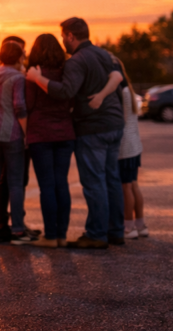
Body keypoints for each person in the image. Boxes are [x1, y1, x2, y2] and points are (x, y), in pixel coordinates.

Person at [26, 17, 125, 249]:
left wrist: (38, 78)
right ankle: (115, 231)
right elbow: (117, 77)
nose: (63, 42)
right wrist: (102, 96)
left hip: (92, 127)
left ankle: (97, 234)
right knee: (112, 179)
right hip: (114, 123)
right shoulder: (103, 54)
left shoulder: (76, 61)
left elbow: (65, 92)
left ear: (71, 35)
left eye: (63, 37)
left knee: (94, 181)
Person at [0, 40, 35, 244]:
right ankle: (18, 230)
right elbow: (19, 107)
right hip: (10, 133)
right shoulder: (17, 78)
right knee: (15, 182)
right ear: (20, 57)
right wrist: (27, 134)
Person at [23, 34, 75, 248]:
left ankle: (51, 236)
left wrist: (25, 136)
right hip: (65, 132)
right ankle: (62, 235)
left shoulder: (33, 75)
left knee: (47, 186)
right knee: (61, 183)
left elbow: (27, 105)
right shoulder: (67, 73)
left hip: (40, 134)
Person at [89, 56, 147, 239]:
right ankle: (140, 224)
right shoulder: (128, 89)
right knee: (134, 185)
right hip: (134, 145)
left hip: (124, 147)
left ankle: (128, 227)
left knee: (125, 188)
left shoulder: (118, 91)